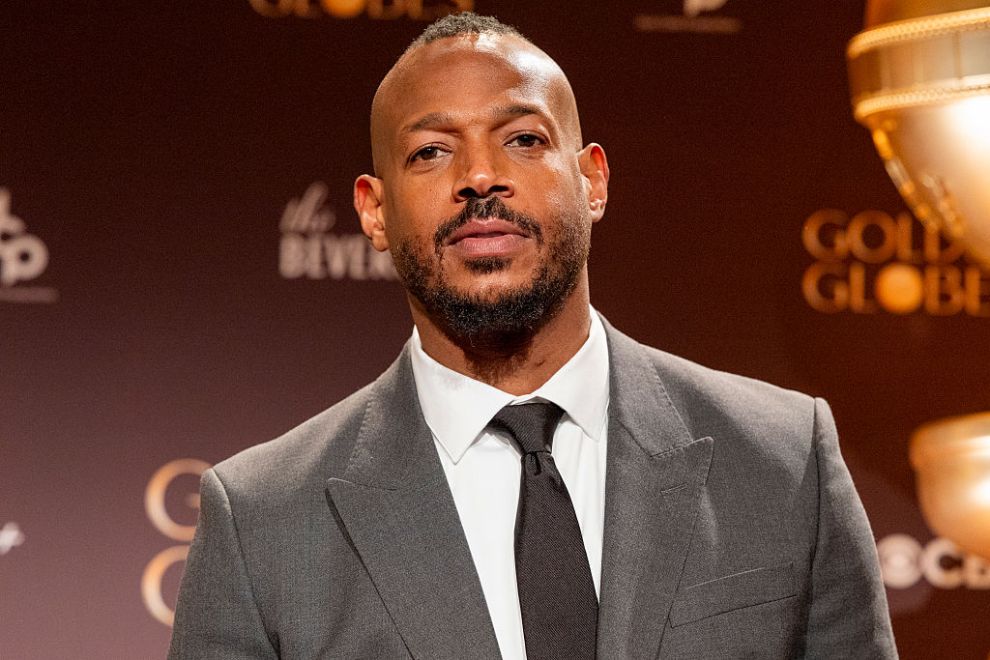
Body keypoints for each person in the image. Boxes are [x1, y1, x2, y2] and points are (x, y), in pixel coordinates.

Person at [169, 12, 897, 660]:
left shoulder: (782, 461)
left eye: (522, 138)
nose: (480, 175)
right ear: (373, 212)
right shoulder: (263, 524)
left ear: (594, 180)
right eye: (430, 152)